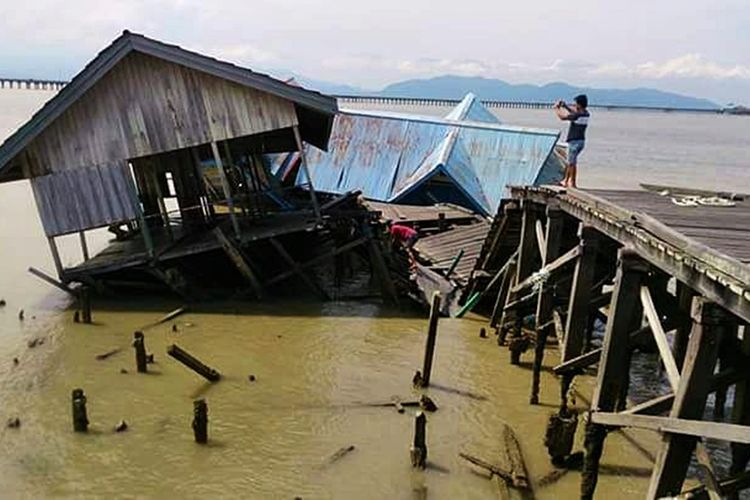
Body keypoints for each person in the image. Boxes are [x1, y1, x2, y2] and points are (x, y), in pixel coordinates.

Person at [554, 94, 590, 188]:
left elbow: (562, 117)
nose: (574, 105)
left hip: (574, 142)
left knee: (571, 163)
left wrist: (556, 109)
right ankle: (566, 181)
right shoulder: (586, 113)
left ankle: (572, 183)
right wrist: (565, 106)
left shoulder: (577, 115)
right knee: (571, 162)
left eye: (575, 104)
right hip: (581, 141)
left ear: (579, 105)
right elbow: (573, 113)